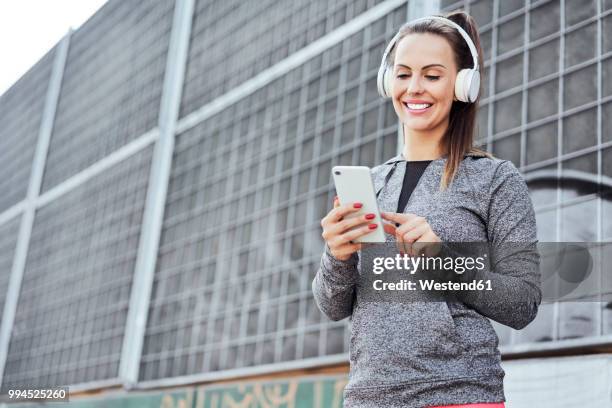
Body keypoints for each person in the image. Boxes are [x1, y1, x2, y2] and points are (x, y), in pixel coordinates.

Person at [312, 11, 541, 408]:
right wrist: (338, 256)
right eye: (403, 74)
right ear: (389, 82)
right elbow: (332, 306)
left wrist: (443, 260)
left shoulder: (494, 179)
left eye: (432, 76)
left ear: (463, 85)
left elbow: (523, 303)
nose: (414, 88)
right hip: (368, 397)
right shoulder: (372, 184)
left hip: (457, 394)